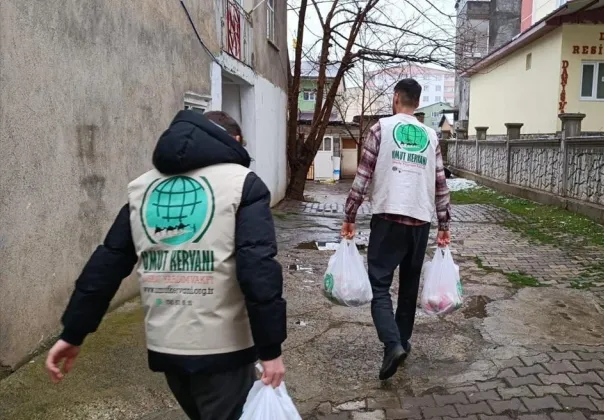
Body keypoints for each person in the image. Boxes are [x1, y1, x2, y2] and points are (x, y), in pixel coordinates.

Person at [46, 110, 287, 420]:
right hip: (223, 352)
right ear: (235, 141)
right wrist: (270, 351)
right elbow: (258, 270)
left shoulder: (141, 189)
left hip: (167, 350)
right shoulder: (243, 184)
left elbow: (106, 265)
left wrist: (73, 333)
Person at [342, 78, 451, 380]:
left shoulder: (381, 129)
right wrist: (444, 223)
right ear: (416, 103)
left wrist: (349, 214)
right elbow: (440, 182)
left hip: (388, 217)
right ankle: (402, 341)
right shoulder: (431, 136)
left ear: (395, 98)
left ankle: (392, 345)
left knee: (379, 285)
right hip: (420, 220)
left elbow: (363, 177)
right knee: (408, 287)